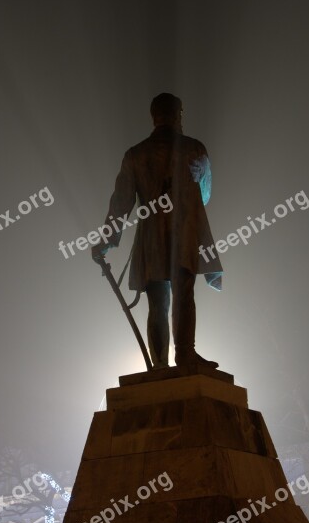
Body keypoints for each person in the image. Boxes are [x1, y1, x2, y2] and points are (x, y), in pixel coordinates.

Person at [92, 93, 223, 372]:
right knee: (183, 293)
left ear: (154, 116)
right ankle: (186, 354)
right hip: (184, 234)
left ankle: (160, 364)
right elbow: (206, 194)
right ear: (178, 115)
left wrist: (106, 241)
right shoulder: (194, 149)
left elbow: (120, 203)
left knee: (157, 301)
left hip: (151, 238)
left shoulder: (135, 155)